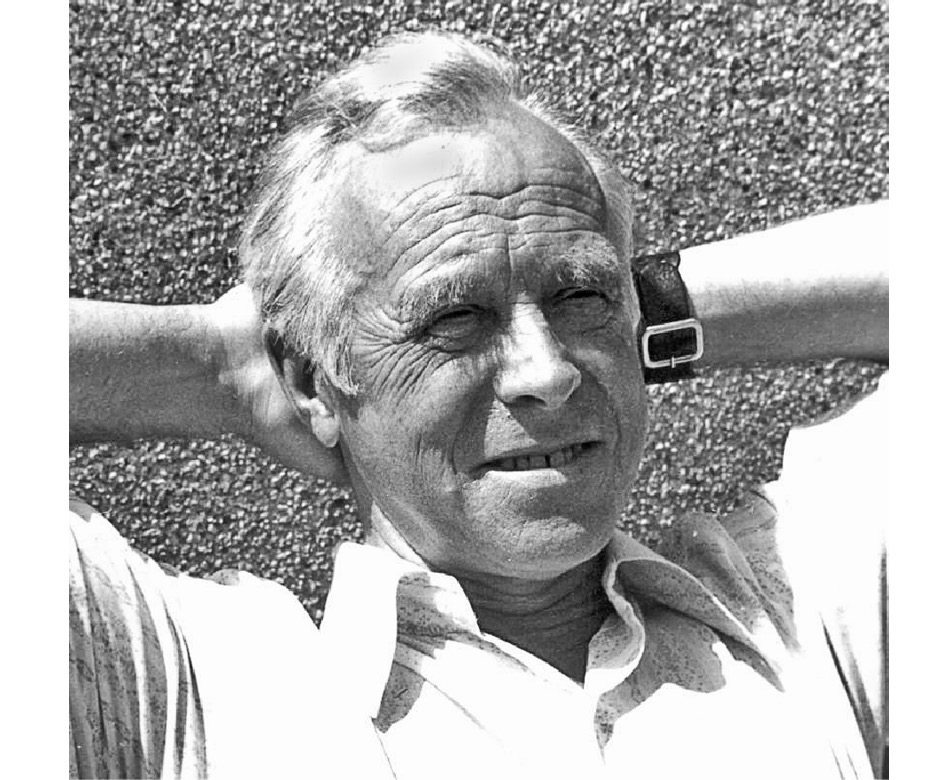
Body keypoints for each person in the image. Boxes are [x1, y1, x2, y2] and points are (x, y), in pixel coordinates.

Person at [69, 32, 888, 779]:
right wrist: (227, 367)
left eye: (581, 295)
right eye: (454, 316)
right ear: (314, 381)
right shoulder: (200, 692)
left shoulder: (794, 621)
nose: (547, 372)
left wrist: (644, 309)